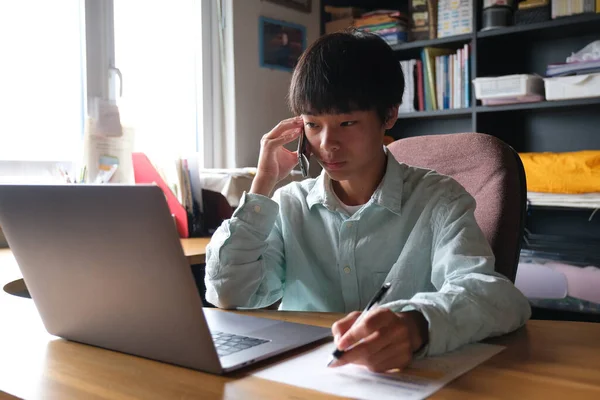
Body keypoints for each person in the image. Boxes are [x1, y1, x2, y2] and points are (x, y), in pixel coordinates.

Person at [204, 29, 531, 373]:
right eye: (313, 125)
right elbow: (229, 293)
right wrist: (263, 183)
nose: (327, 144)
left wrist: (418, 324)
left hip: (409, 379)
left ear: (388, 115)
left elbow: (498, 298)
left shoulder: (439, 199)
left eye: (347, 122)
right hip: (307, 380)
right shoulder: (288, 205)